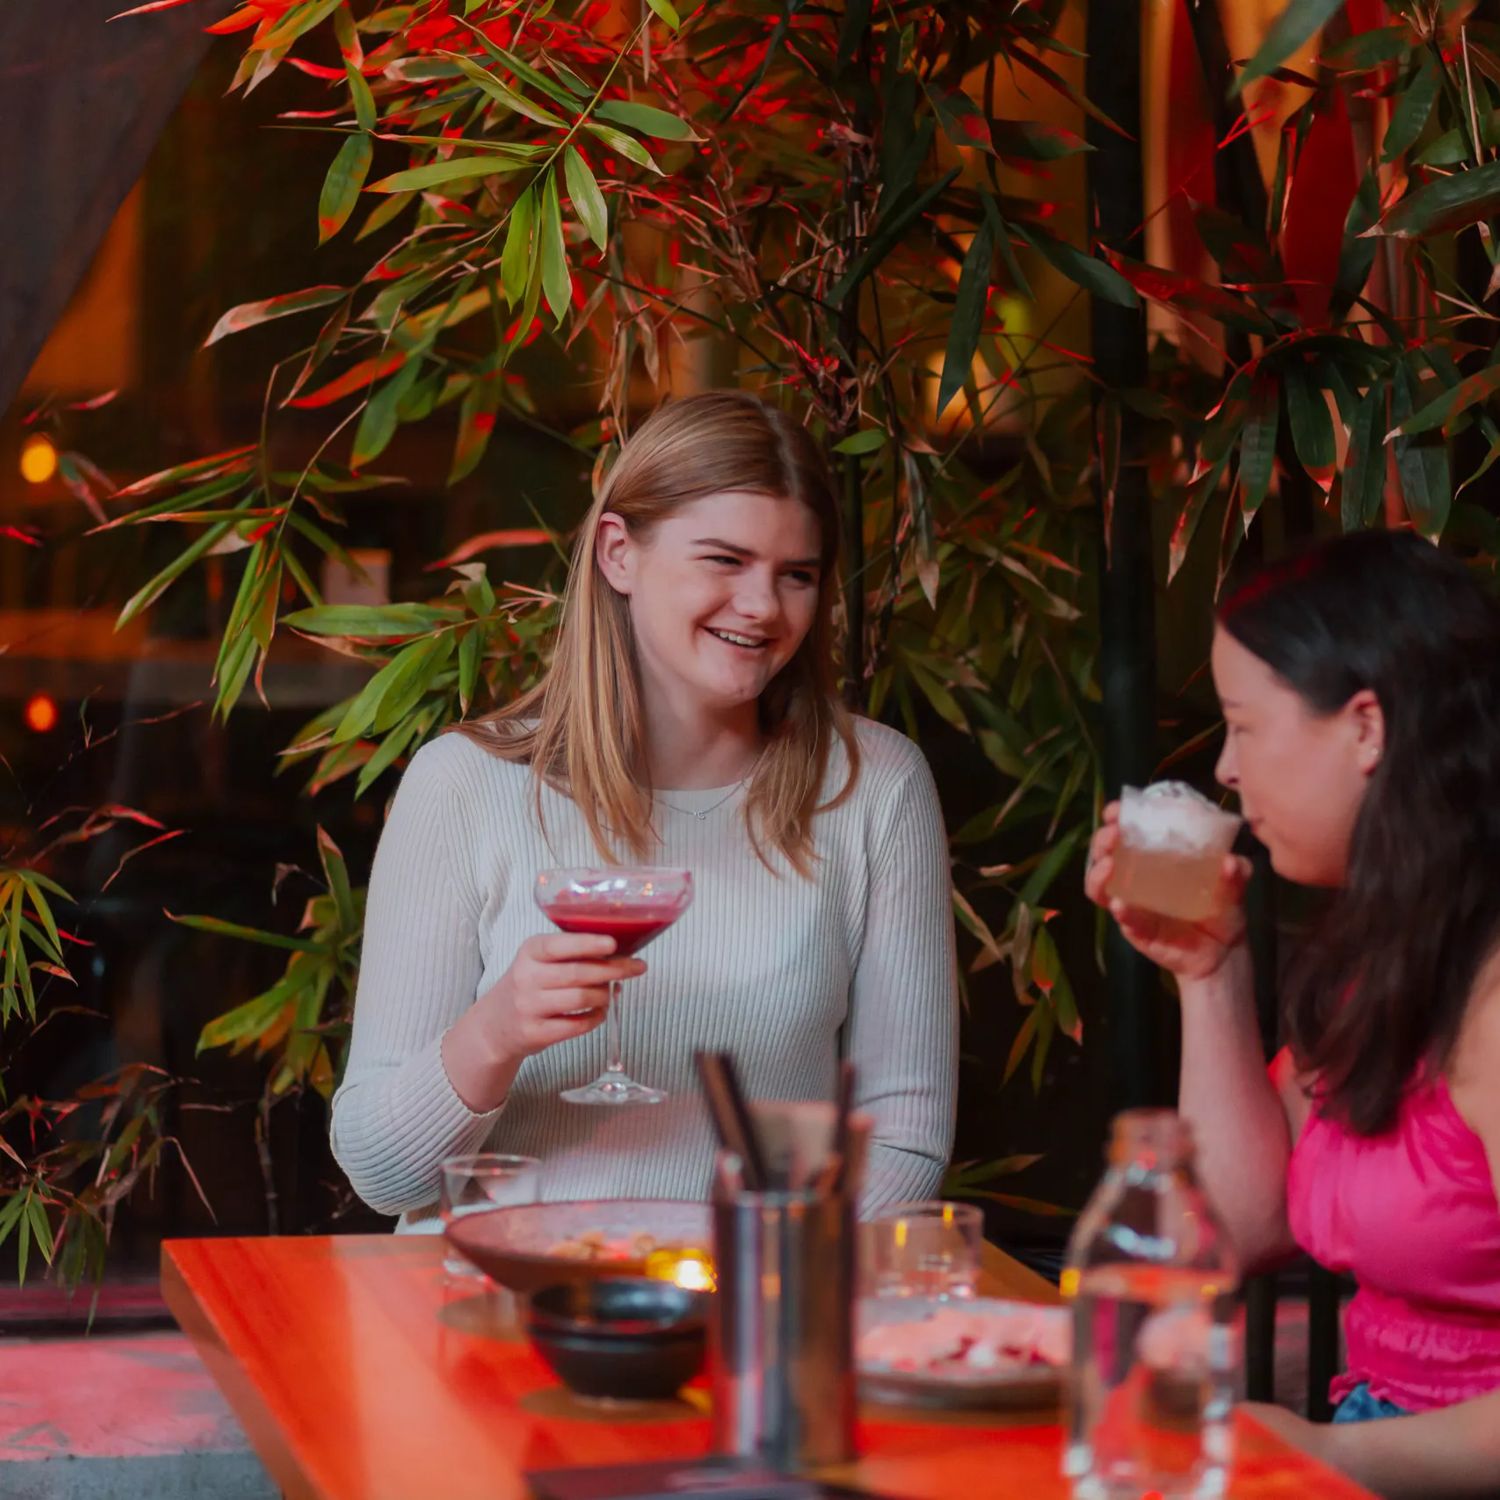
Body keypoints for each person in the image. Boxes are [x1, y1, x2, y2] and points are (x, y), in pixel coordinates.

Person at [331, 391, 958, 1227]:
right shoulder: (465, 785)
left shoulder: (874, 785)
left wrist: (731, 1273)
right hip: (493, 1307)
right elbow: (382, 1176)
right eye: (724, 560)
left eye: (795, 575)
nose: (764, 607)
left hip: (748, 1308)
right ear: (619, 554)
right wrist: (495, 1034)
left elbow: (905, 1142)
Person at [1085, 529, 1500, 1498]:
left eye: (1244, 724)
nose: (1225, 769)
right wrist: (1209, 968)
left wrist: (1335, 1451)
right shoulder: (1386, 951)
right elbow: (1237, 1222)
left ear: (1365, 728)